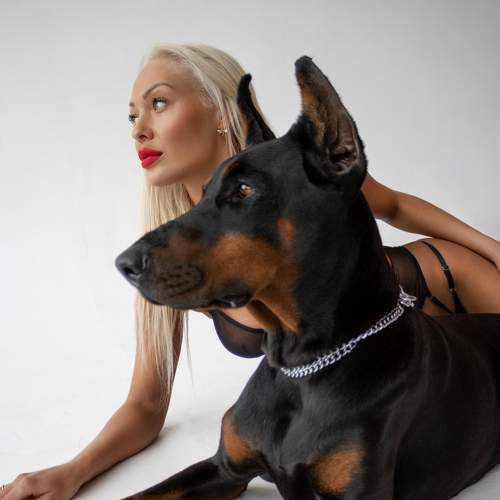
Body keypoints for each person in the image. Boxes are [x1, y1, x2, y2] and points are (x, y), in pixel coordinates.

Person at [2, 43, 499, 500]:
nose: (138, 129)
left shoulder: (309, 170)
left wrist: (494, 249)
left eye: (159, 103)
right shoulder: (197, 237)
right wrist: (70, 473)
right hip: (324, 355)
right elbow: (148, 404)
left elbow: (395, 206)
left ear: (220, 112)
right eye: (132, 115)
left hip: (443, 282)